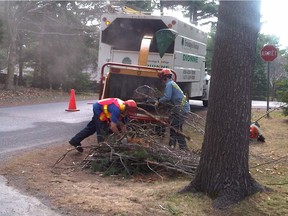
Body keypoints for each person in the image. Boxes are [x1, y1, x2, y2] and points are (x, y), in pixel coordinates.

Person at [69, 98, 137, 152]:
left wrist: (125, 137)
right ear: (126, 108)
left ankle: (75, 141)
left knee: (91, 128)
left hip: (103, 109)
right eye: (128, 112)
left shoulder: (126, 110)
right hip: (98, 109)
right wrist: (120, 136)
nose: (128, 114)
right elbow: (113, 126)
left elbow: (123, 125)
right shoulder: (116, 109)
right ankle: (102, 148)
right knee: (102, 130)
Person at [155, 68, 190, 150]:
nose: (162, 81)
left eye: (162, 79)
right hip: (181, 108)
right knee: (175, 128)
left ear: (164, 77)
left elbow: (167, 97)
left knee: (175, 129)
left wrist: (158, 101)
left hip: (181, 109)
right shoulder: (172, 83)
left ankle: (183, 148)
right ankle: (173, 147)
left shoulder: (169, 84)